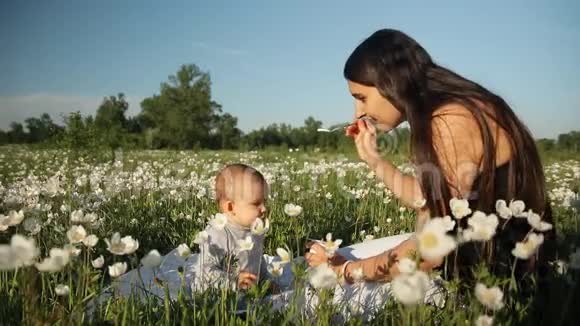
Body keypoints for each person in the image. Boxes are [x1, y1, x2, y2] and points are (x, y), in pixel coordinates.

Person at [305, 29, 555, 286]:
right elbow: (429, 199)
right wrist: (374, 158)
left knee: (313, 289)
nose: (358, 113)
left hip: (497, 286)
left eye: (362, 98)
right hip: (479, 264)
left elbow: (429, 251)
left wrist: (346, 272)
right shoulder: (450, 109)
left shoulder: (451, 119)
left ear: (390, 82)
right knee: (329, 264)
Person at [193, 163, 272, 291]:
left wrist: (267, 281)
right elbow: (205, 271)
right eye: (256, 203)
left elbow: (257, 260)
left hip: (248, 293)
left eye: (265, 202)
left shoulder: (255, 229)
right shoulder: (217, 234)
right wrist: (234, 281)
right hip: (217, 298)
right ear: (231, 207)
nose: (264, 208)